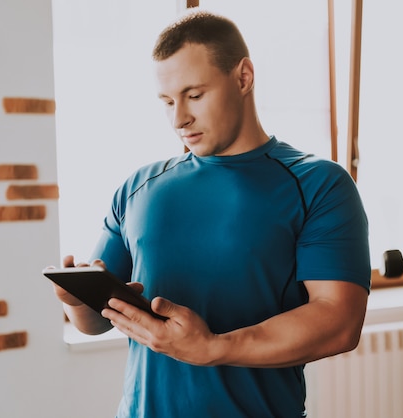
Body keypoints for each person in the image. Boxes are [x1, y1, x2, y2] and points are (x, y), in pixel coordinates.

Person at [51, 9, 370, 418]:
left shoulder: (318, 184)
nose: (179, 118)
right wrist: (77, 301)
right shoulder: (138, 188)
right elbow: (97, 323)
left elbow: (339, 321)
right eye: (167, 101)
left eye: (194, 95)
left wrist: (213, 348)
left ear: (243, 77)